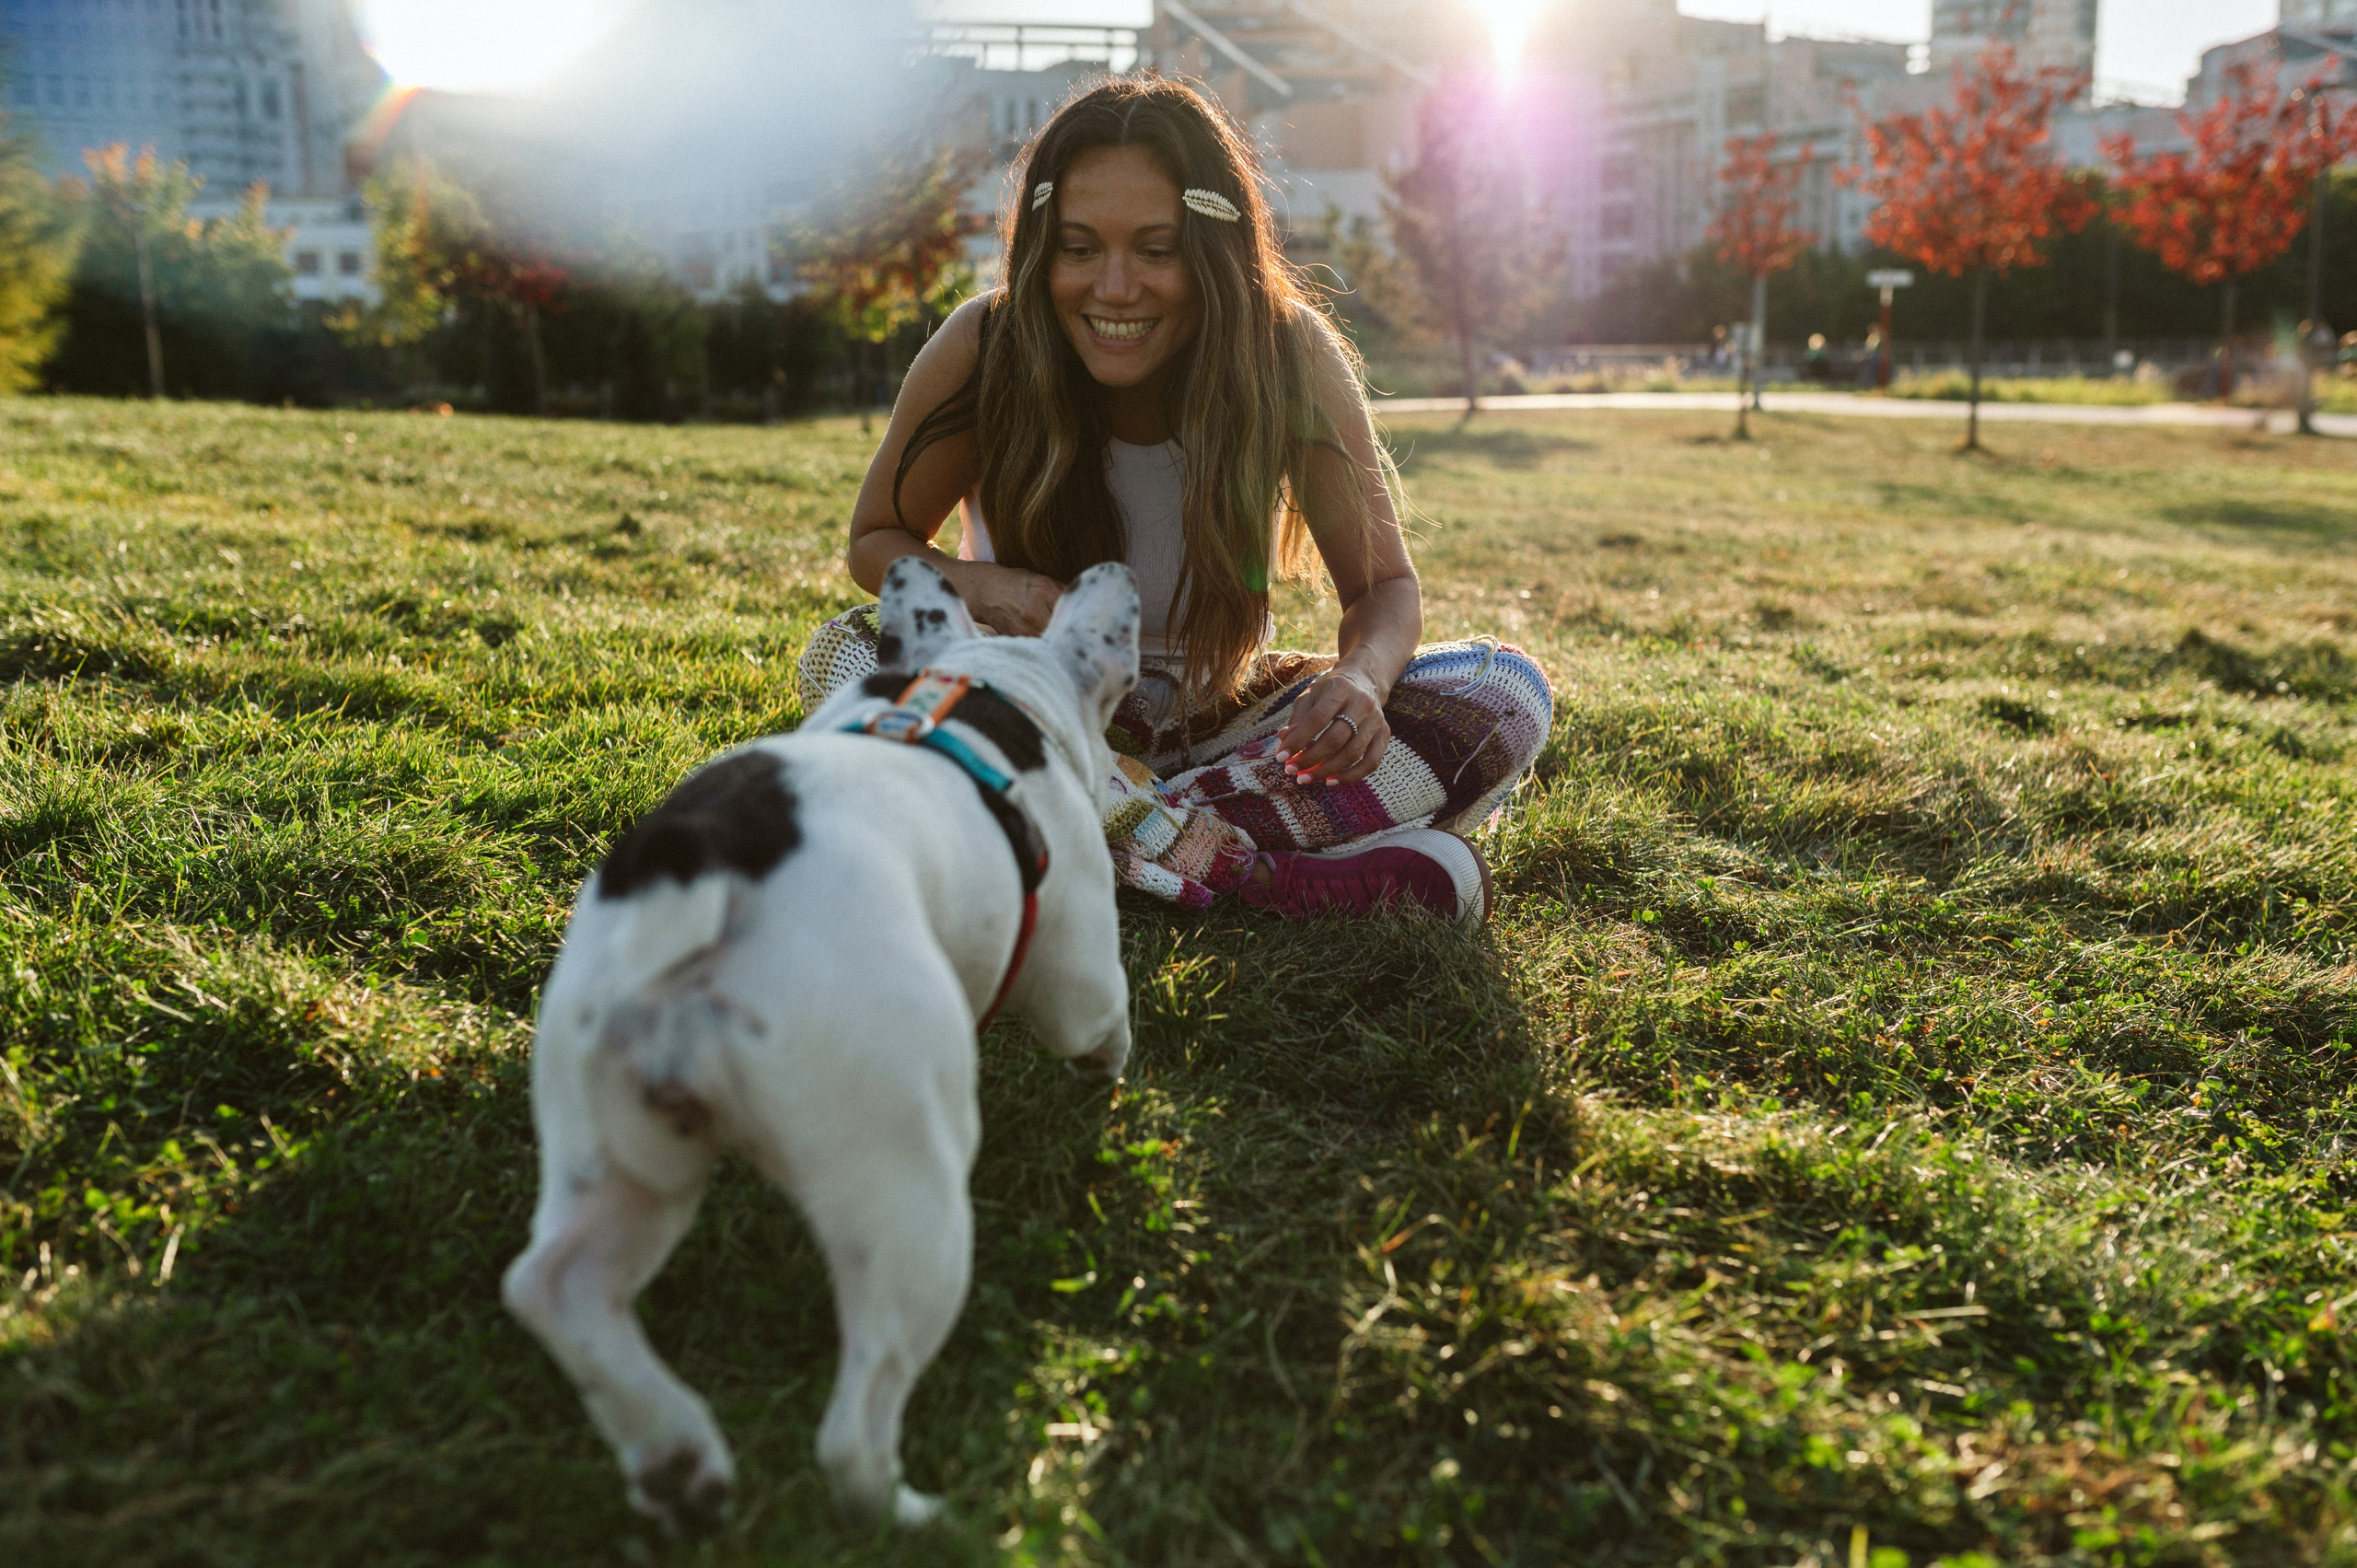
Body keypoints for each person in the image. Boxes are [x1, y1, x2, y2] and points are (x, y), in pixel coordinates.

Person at [795, 75, 1552, 923]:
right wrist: (982, 587)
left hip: (1219, 723)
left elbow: (1383, 592)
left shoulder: (1287, 354)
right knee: (849, 654)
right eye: (1079, 249)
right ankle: (1258, 876)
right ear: (1043, 249)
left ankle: (1090, 832)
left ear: (1213, 253)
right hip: (1038, 699)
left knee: (1502, 692)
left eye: (1157, 250)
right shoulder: (986, 344)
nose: (1115, 288)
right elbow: (877, 540)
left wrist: (1362, 684)